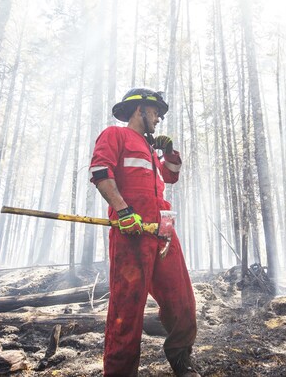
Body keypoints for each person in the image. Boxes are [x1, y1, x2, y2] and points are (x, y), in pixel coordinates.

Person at [89, 87, 199, 376]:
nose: (159, 119)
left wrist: (167, 151)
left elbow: (171, 175)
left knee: (182, 301)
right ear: (140, 109)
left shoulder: (151, 150)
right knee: (127, 310)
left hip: (162, 234)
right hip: (131, 234)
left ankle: (180, 359)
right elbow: (101, 172)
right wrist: (123, 211)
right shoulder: (115, 135)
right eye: (156, 113)